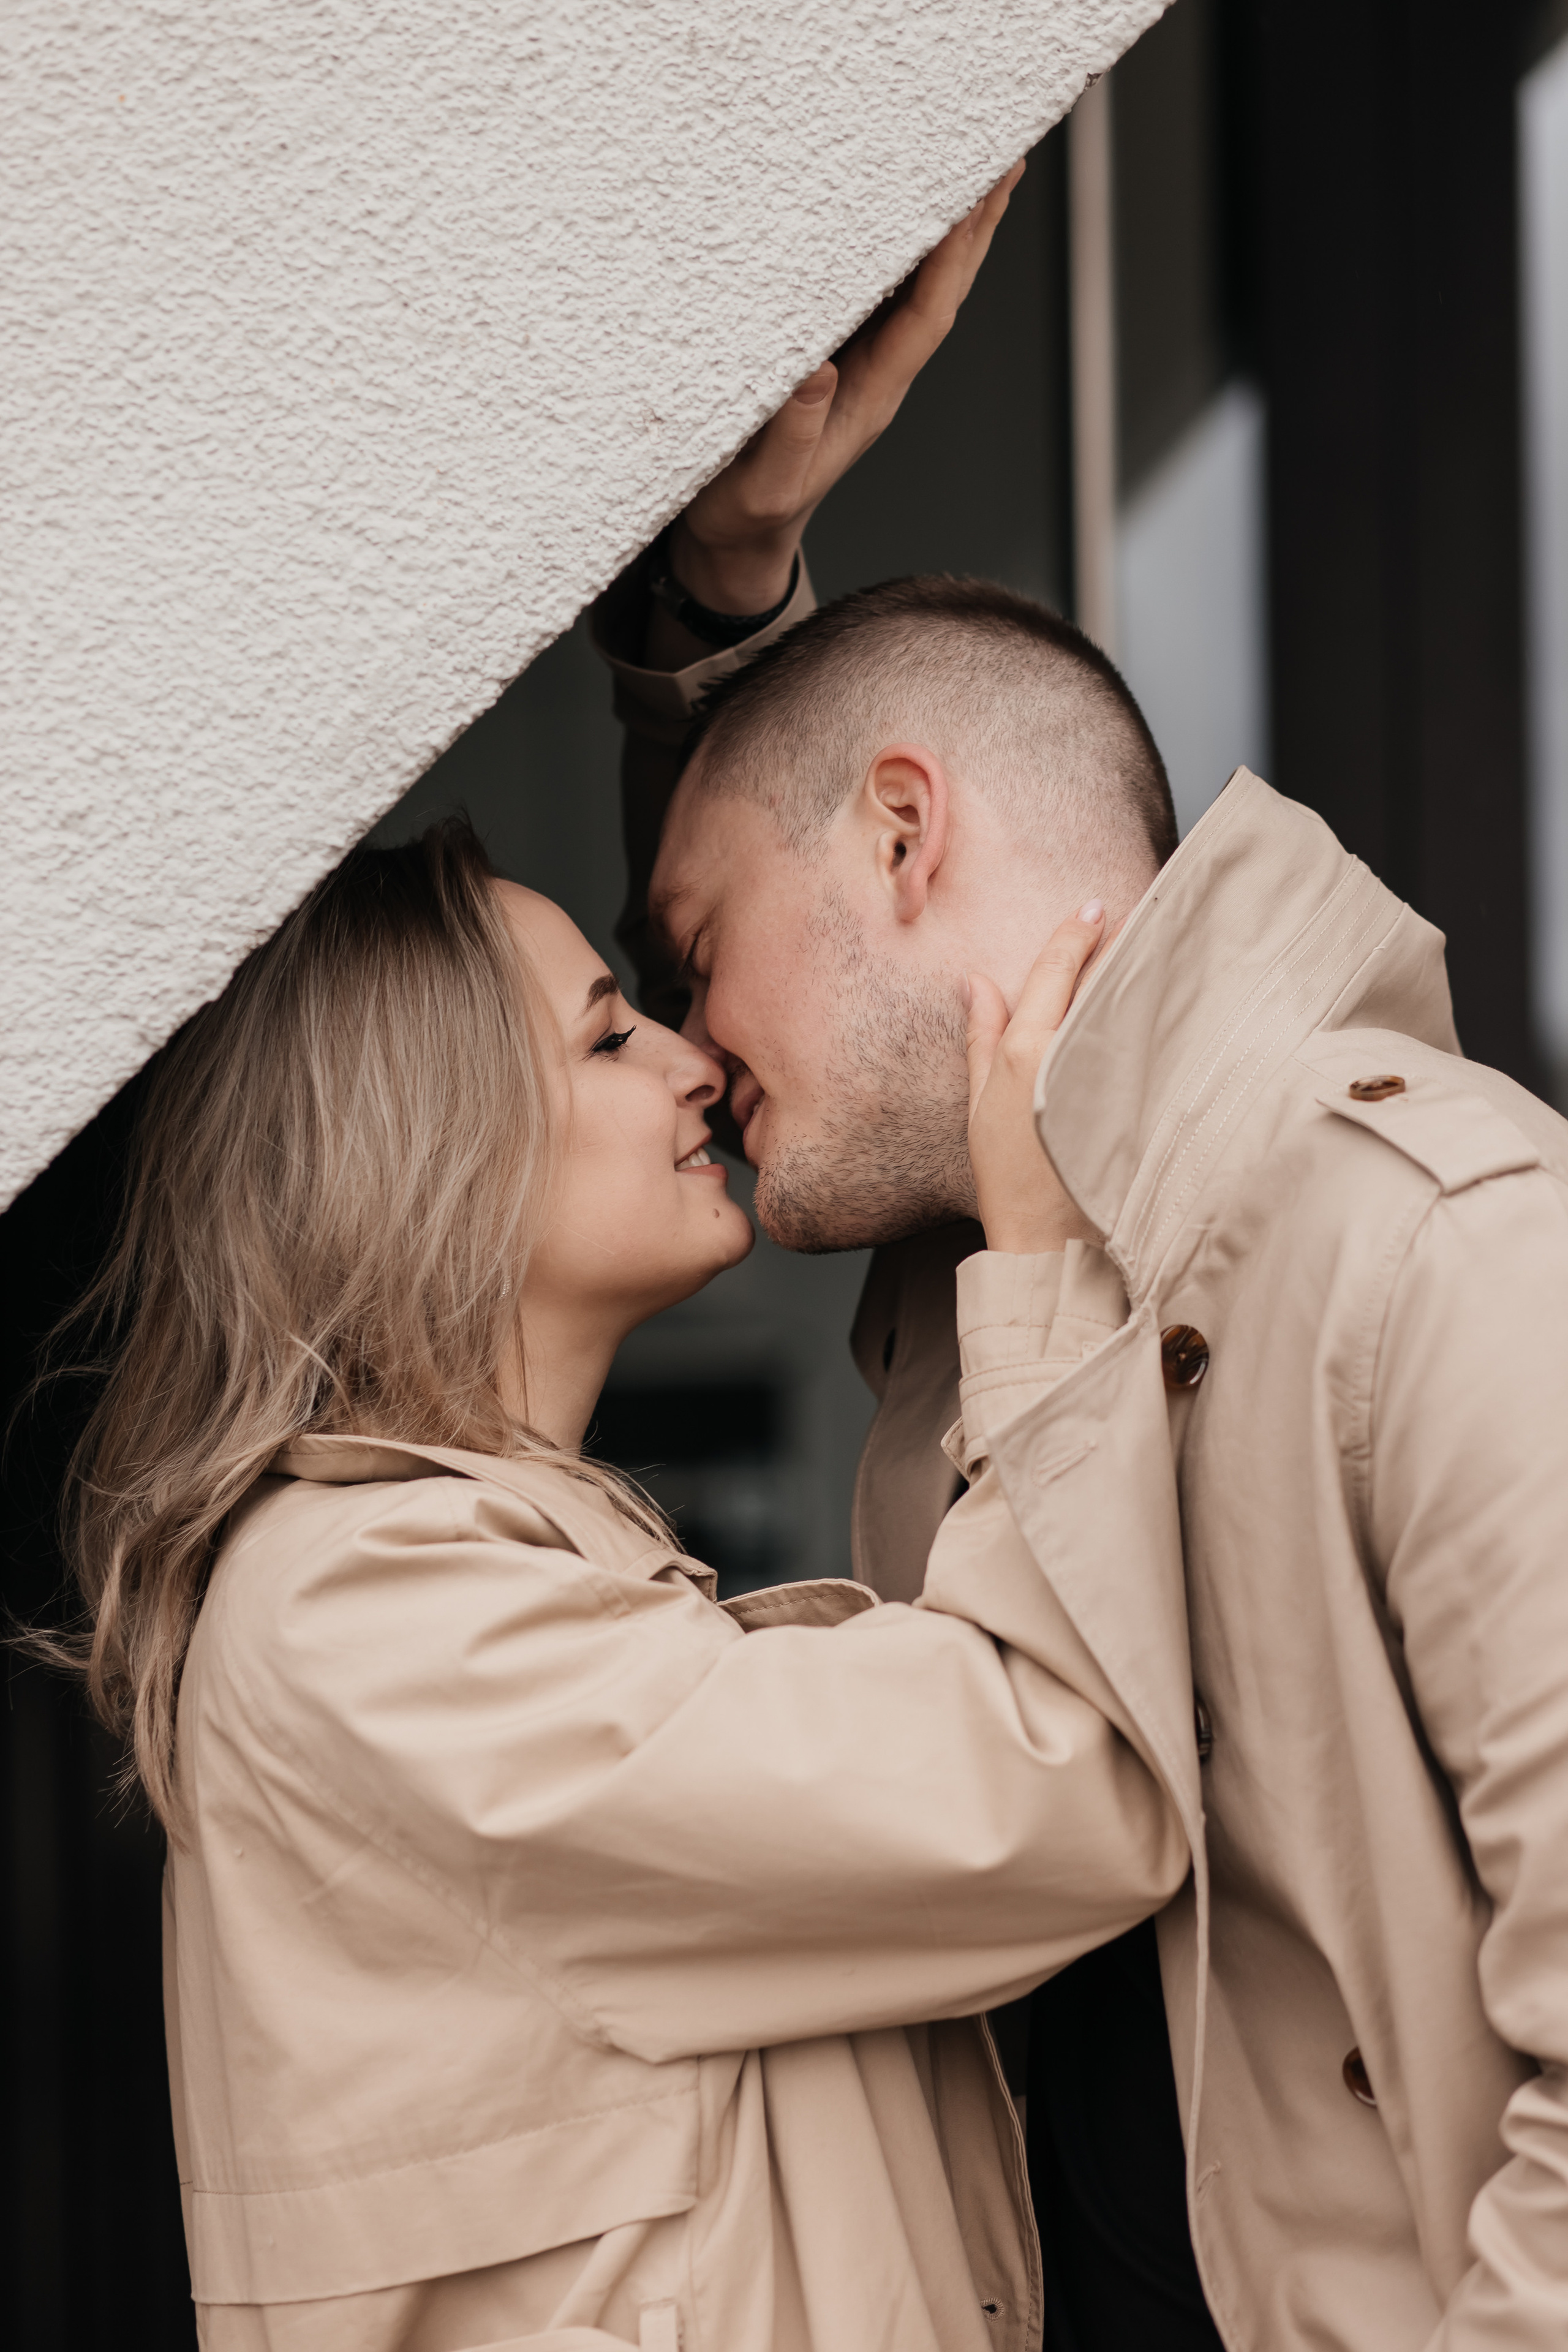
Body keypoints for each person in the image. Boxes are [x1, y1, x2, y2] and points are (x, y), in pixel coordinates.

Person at [595, 241, 1568, 2352]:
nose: (686, 1051)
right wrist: (714, 604)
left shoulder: (1435, 1239)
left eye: (689, 959)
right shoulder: (980, 1351)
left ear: (906, 840)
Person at [44, 809, 1186, 2352]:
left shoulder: (460, 1577)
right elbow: (1051, 1796)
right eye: (604, 1038)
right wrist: (1034, 1268)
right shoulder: (372, 1614)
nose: (693, 1060)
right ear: (437, 1146)